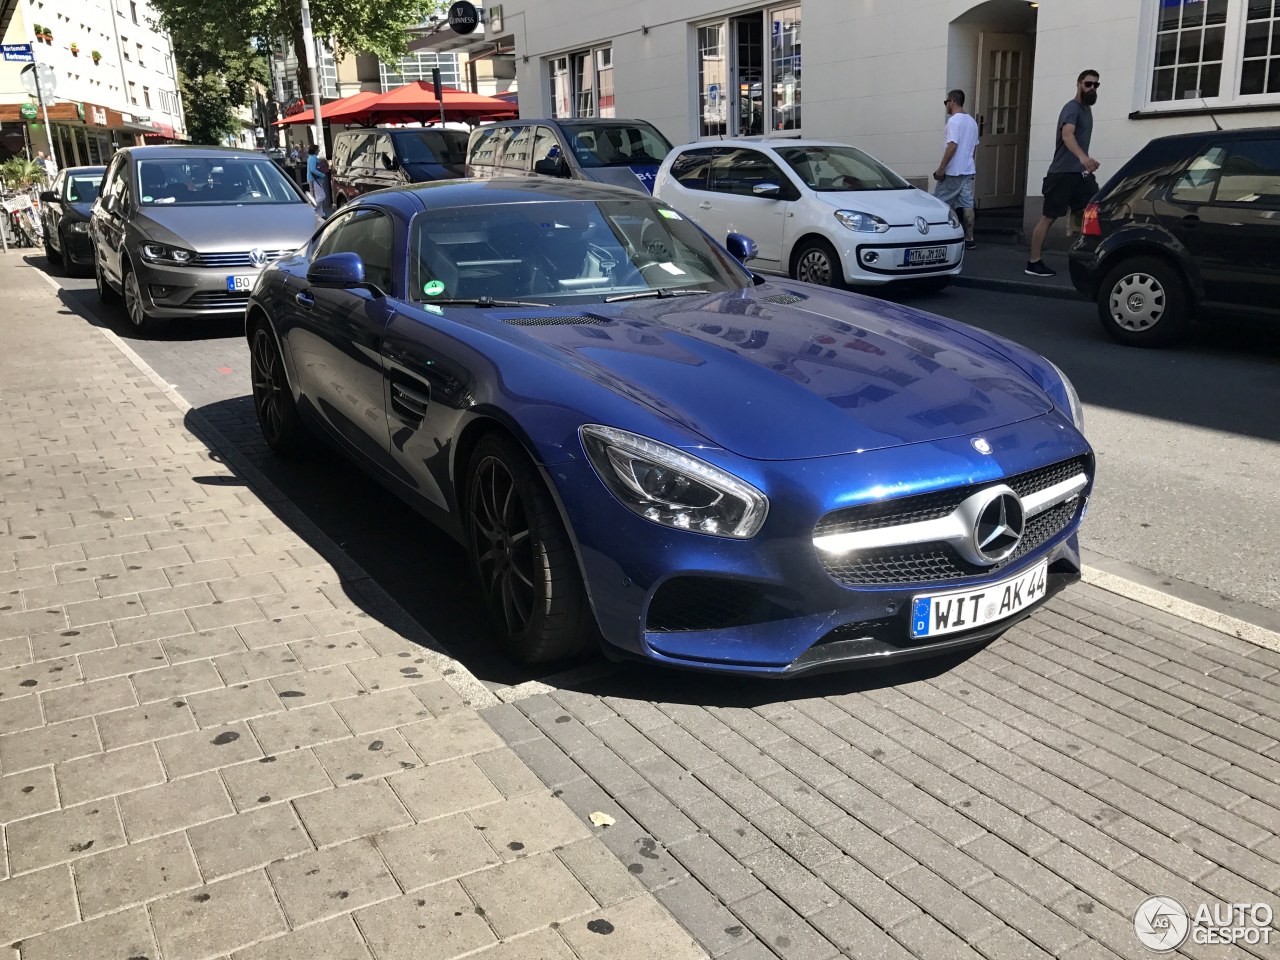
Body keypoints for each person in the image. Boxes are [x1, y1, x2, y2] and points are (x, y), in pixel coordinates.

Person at [1026, 70, 1101, 278]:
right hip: (1062, 174)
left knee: (1093, 211)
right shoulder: (1072, 108)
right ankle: (1033, 262)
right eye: (1088, 84)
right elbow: (1067, 135)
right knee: (1048, 218)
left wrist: (1085, 161)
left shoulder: (1087, 110)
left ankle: (1085, 260)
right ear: (1079, 84)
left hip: (1080, 175)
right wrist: (1083, 158)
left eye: (1096, 85)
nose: (1092, 88)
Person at [932, 89, 980, 250]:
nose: (946, 105)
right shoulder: (972, 122)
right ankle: (970, 238)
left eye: (946, 102)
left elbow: (952, 145)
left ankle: (940, 237)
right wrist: (968, 162)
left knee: (940, 203)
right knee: (967, 204)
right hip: (968, 170)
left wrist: (941, 169)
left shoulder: (954, 121)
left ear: (952, 101)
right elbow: (974, 148)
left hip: (953, 171)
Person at [306, 144, 330, 216]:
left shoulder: (311, 158)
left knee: (318, 196)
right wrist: (322, 174)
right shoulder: (313, 158)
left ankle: (321, 214)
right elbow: (313, 169)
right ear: (315, 150)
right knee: (322, 196)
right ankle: (313, 207)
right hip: (314, 180)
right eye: (318, 149)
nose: (319, 151)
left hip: (313, 179)